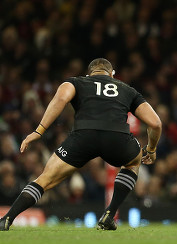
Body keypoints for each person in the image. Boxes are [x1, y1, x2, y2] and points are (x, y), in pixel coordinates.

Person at [0, 58, 162, 231]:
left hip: (83, 135)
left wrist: (38, 131)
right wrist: (151, 149)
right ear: (112, 74)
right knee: (132, 162)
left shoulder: (76, 82)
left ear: (89, 73)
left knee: (45, 179)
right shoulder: (127, 90)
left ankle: (7, 219)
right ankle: (110, 213)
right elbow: (156, 123)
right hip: (117, 137)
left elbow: (61, 98)